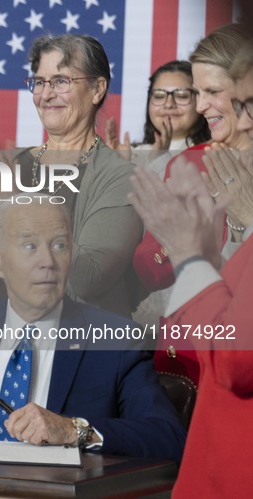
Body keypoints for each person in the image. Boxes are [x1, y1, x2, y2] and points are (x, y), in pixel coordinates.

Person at [0, 197, 186, 463]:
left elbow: (167, 436)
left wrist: (74, 431)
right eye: (30, 246)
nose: (48, 262)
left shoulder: (116, 341)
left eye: (59, 245)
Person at [129, 39, 253, 491]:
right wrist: (174, 240)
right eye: (194, 93)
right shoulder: (188, 164)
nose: (200, 107)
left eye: (211, 91)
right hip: (184, 361)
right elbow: (148, 269)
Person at [0, 34, 143, 319]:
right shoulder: (11, 164)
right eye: (39, 82)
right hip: (1, 346)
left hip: (75, 351)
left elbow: (88, 279)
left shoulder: (122, 176)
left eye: (61, 81)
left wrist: (14, 203)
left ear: (97, 89)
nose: (46, 94)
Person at [105, 60, 210, 178]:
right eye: (159, 96)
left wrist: (160, 160)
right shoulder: (131, 154)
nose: (169, 104)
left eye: (181, 96)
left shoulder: (211, 155)